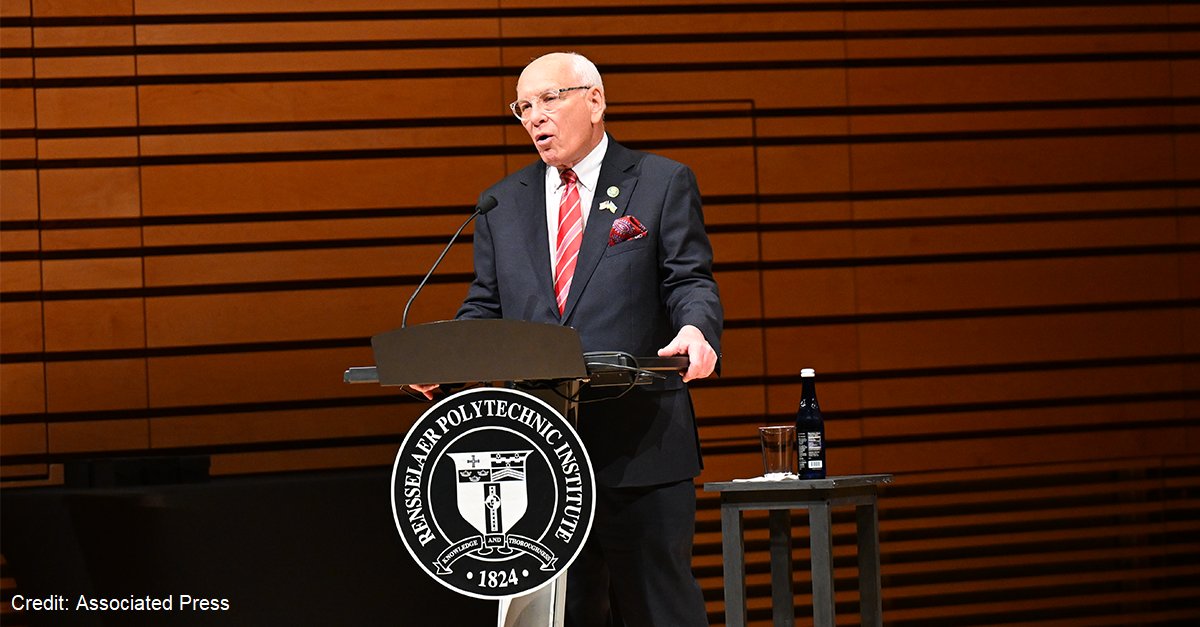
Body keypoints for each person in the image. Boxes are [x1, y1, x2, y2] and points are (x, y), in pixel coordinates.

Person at [413, 52, 721, 627]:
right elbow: (486, 308)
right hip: (540, 456)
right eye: (523, 107)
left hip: (641, 444)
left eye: (550, 99)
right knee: (564, 616)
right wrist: (444, 358)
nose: (535, 118)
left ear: (595, 100)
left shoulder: (659, 182)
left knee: (659, 610)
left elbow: (689, 279)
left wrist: (695, 330)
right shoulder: (502, 202)